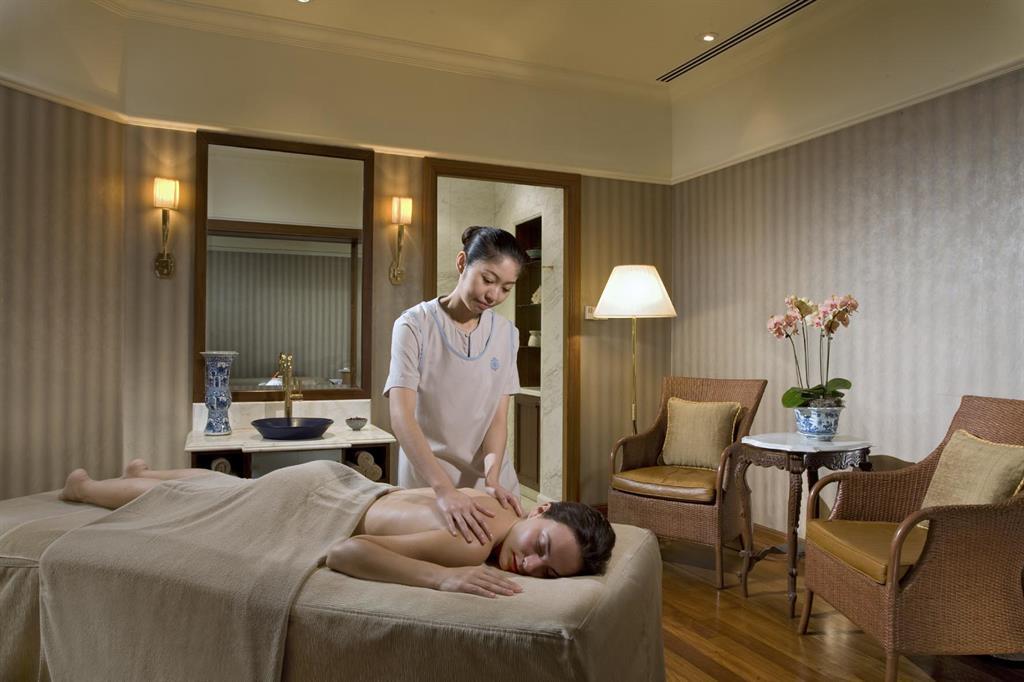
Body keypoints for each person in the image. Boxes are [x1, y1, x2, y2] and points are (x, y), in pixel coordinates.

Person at [59, 461, 616, 598]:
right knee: (197, 504)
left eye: (548, 572)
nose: (530, 565)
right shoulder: (472, 541)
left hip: (338, 484)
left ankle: (140, 473)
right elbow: (347, 551)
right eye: (541, 547)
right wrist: (441, 578)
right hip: (316, 506)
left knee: (223, 487)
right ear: (542, 513)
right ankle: (84, 489)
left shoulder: (503, 505)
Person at [384, 226, 531, 546]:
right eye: (488, 279)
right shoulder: (414, 324)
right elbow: (401, 416)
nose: (494, 295)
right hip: (431, 484)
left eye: (506, 288)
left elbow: (497, 419)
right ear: (462, 262)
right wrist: (444, 490)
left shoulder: (507, 334)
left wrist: (493, 478)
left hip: (489, 483)